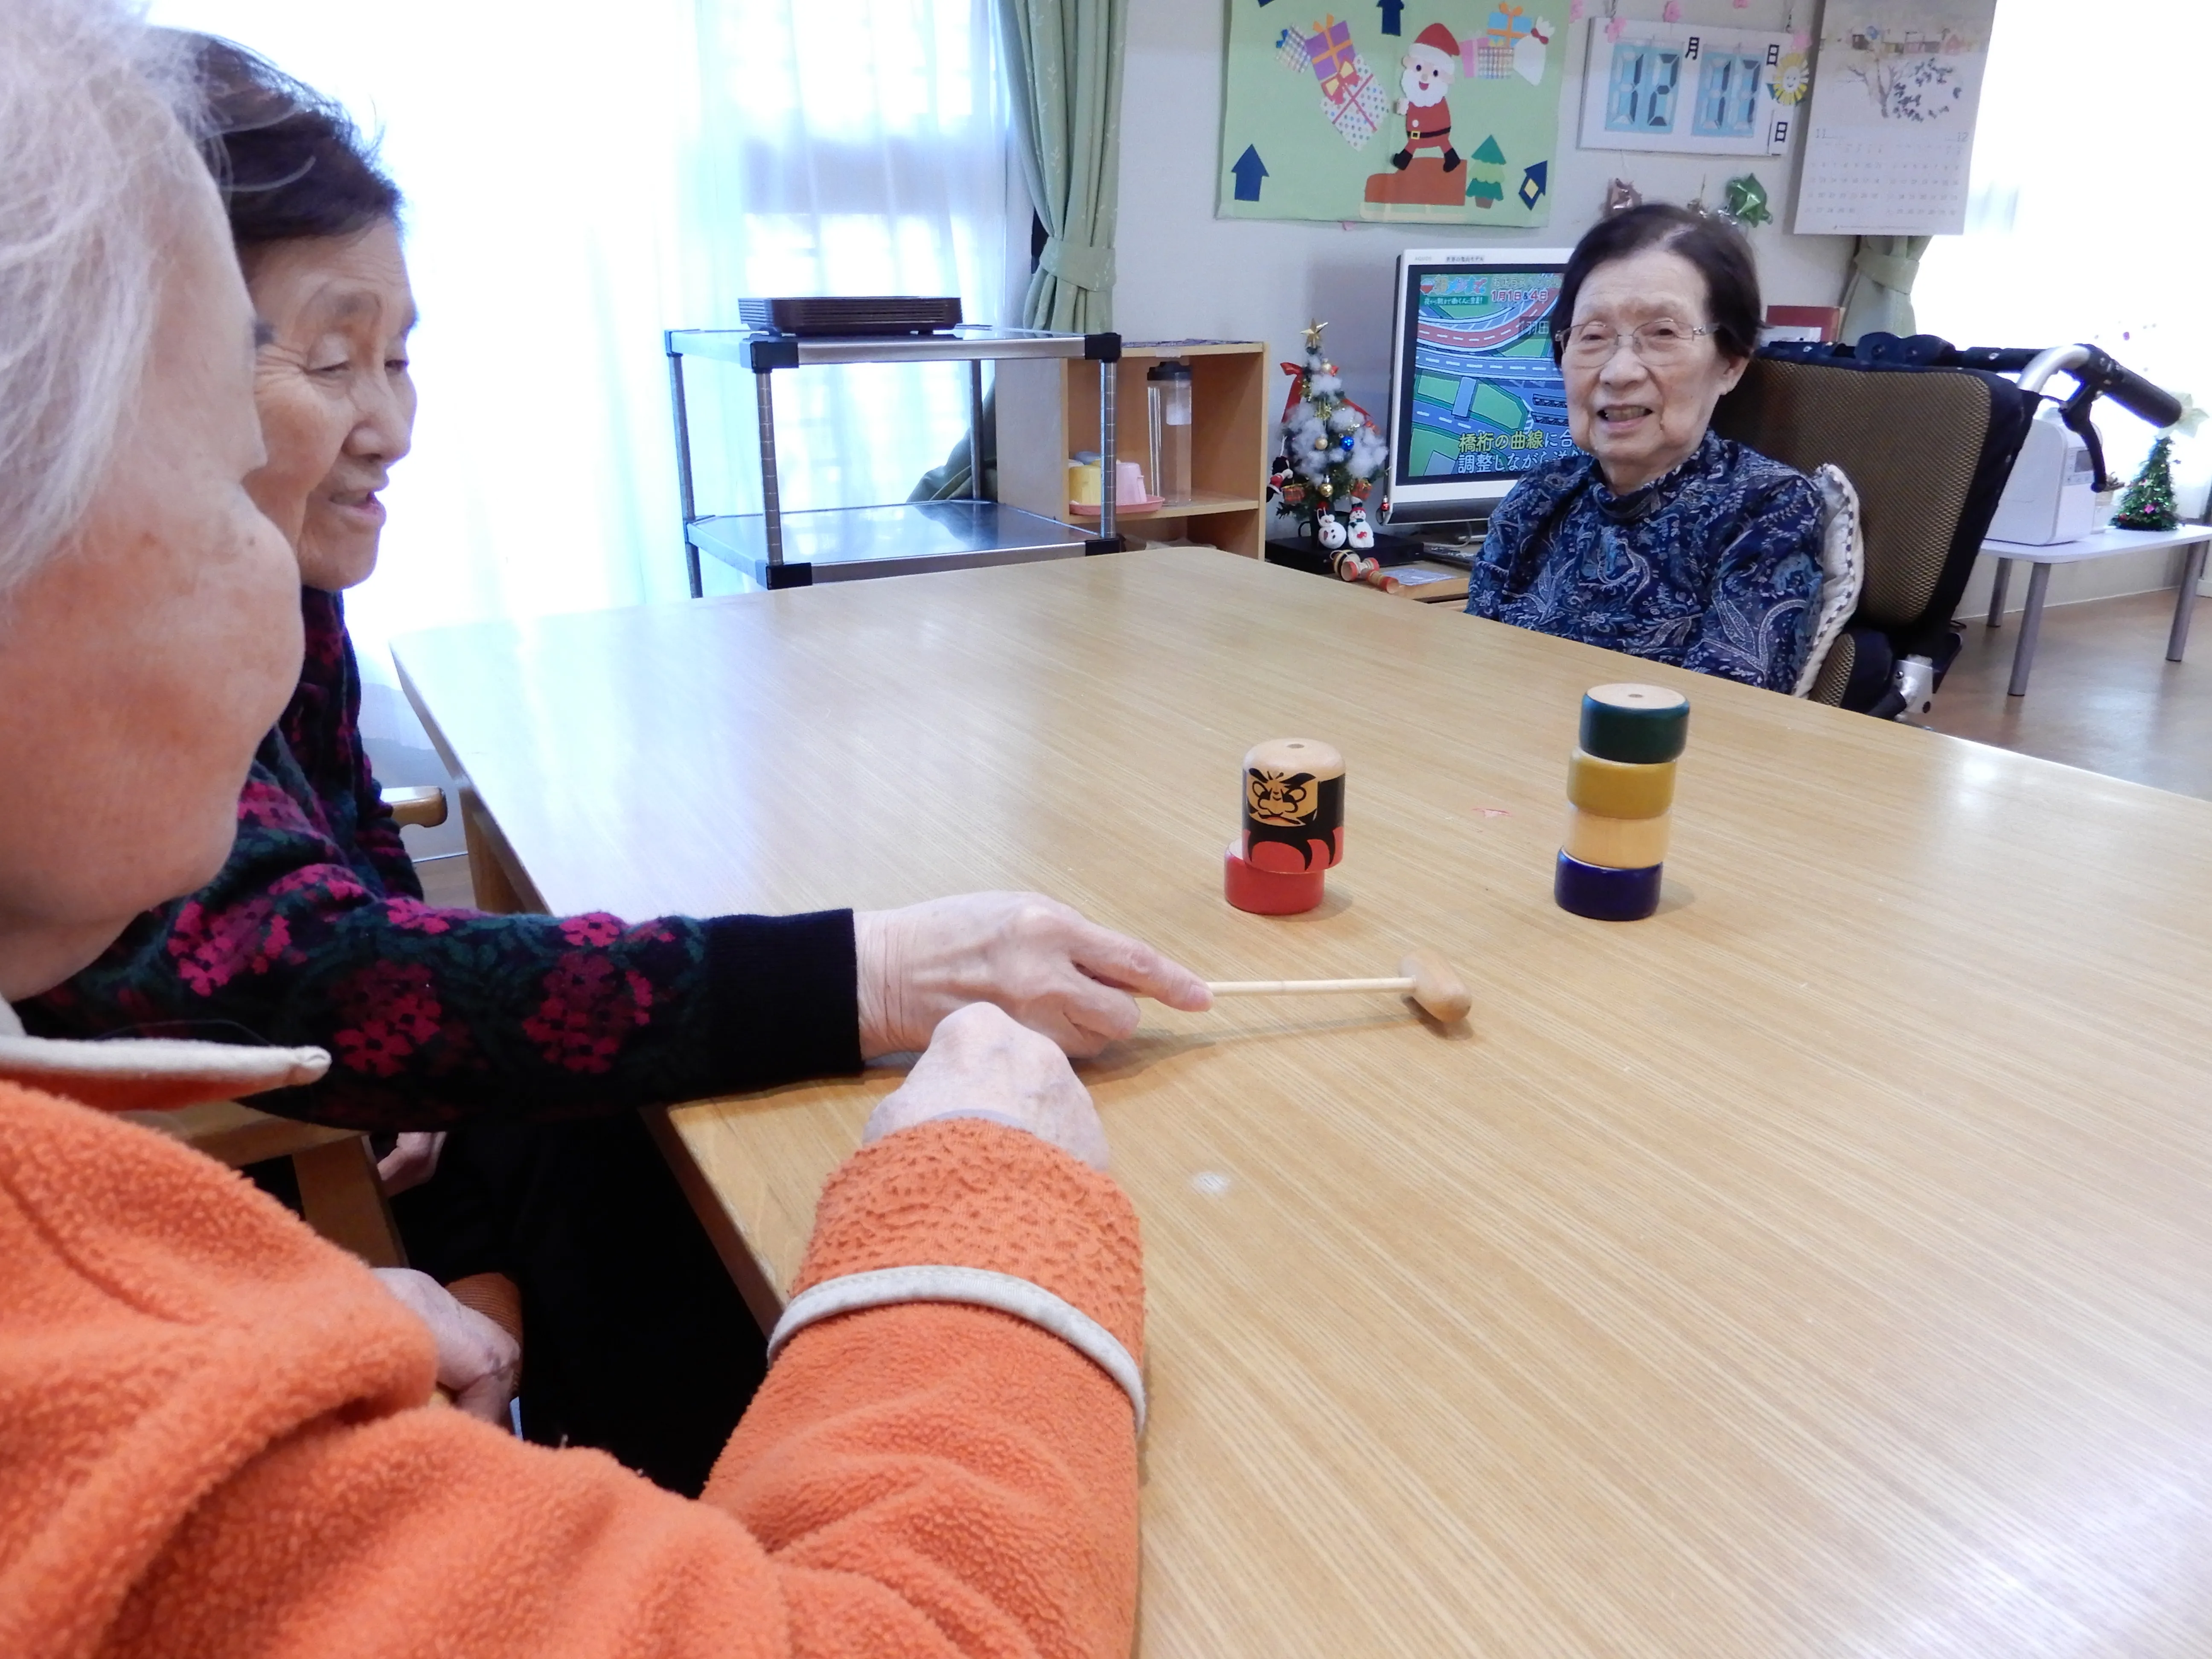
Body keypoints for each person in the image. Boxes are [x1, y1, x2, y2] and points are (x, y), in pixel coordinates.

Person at [0, 3, 1145, 1653]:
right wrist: (982, 1211)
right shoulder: (105, 1396)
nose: (361, 435)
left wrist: (420, 1277)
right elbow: (315, 977)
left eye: (387, 359)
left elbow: (337, 974)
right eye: (263, 404)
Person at [1463, 204, 1825, 694]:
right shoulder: (1539, 498)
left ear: (1731, 364)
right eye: (1593, 336)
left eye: (1662, 334)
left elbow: (1727, 715)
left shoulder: (1769, 509)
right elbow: (1471, 670)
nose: (1619, 372)